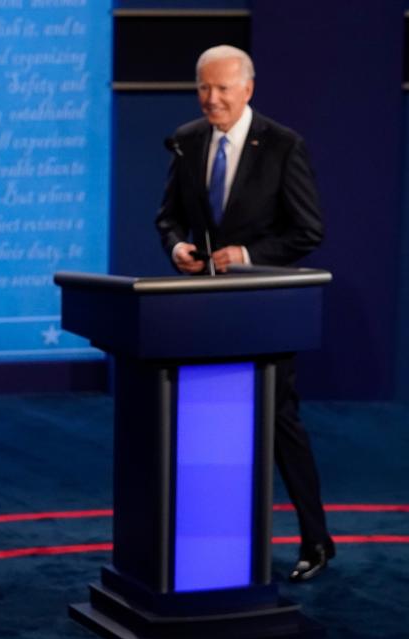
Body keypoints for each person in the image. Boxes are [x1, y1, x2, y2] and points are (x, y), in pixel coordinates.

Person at [155, 44, 334, 582]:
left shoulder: (282, 146)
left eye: (223, 89)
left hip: (263, 310)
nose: (212, 100)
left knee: (278, 422)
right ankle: (211, 543)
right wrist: (176, 249)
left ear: (248, 89)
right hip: (203, 311)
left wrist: (248, 258)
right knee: (207, 423)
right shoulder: (187, 141)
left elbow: (308, 231)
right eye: (204, 89)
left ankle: (316, 538)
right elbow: (168, 218)